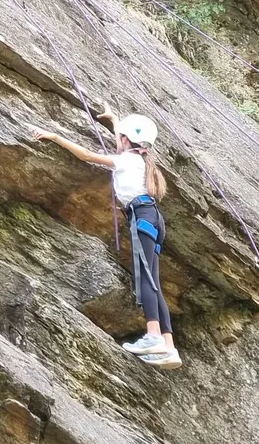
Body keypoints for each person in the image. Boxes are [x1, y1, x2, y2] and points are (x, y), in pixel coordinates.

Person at [30, 107, 180, 369]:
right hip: (152, 218)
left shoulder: (126, 160)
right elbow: (124, 142)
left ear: (125, 141)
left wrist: (55, 137)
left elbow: (87, 155)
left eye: (119, 137)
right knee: (152, 280)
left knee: (144, 278)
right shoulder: (141, 160)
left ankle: (154, 335)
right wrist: (115, 122)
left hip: (142, 219)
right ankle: (169, 347)